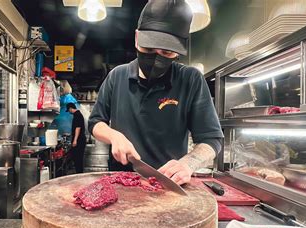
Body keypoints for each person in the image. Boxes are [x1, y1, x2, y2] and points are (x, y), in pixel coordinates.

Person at [88, 0, 224, 185]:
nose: (156, 58)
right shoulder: (117, 76)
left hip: (168, 183)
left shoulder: (190, 80)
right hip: (121, 182)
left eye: (167, 53)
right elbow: (96, 122)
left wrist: (187, 164)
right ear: (137, 38)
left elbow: (212, 139)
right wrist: (114, 136)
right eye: (149, 49)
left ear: (178, 51)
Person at [67, 103, 87, 173]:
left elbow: (78, 128)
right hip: (80, 140)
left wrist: (75, 140)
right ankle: (79, 173)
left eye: (68, 110)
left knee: (77, 159)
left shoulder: (77, 115)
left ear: (70, 108)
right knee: (78, 158)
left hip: (79, 141)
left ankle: (79, 174)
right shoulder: (78, 114)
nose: (69, 112)